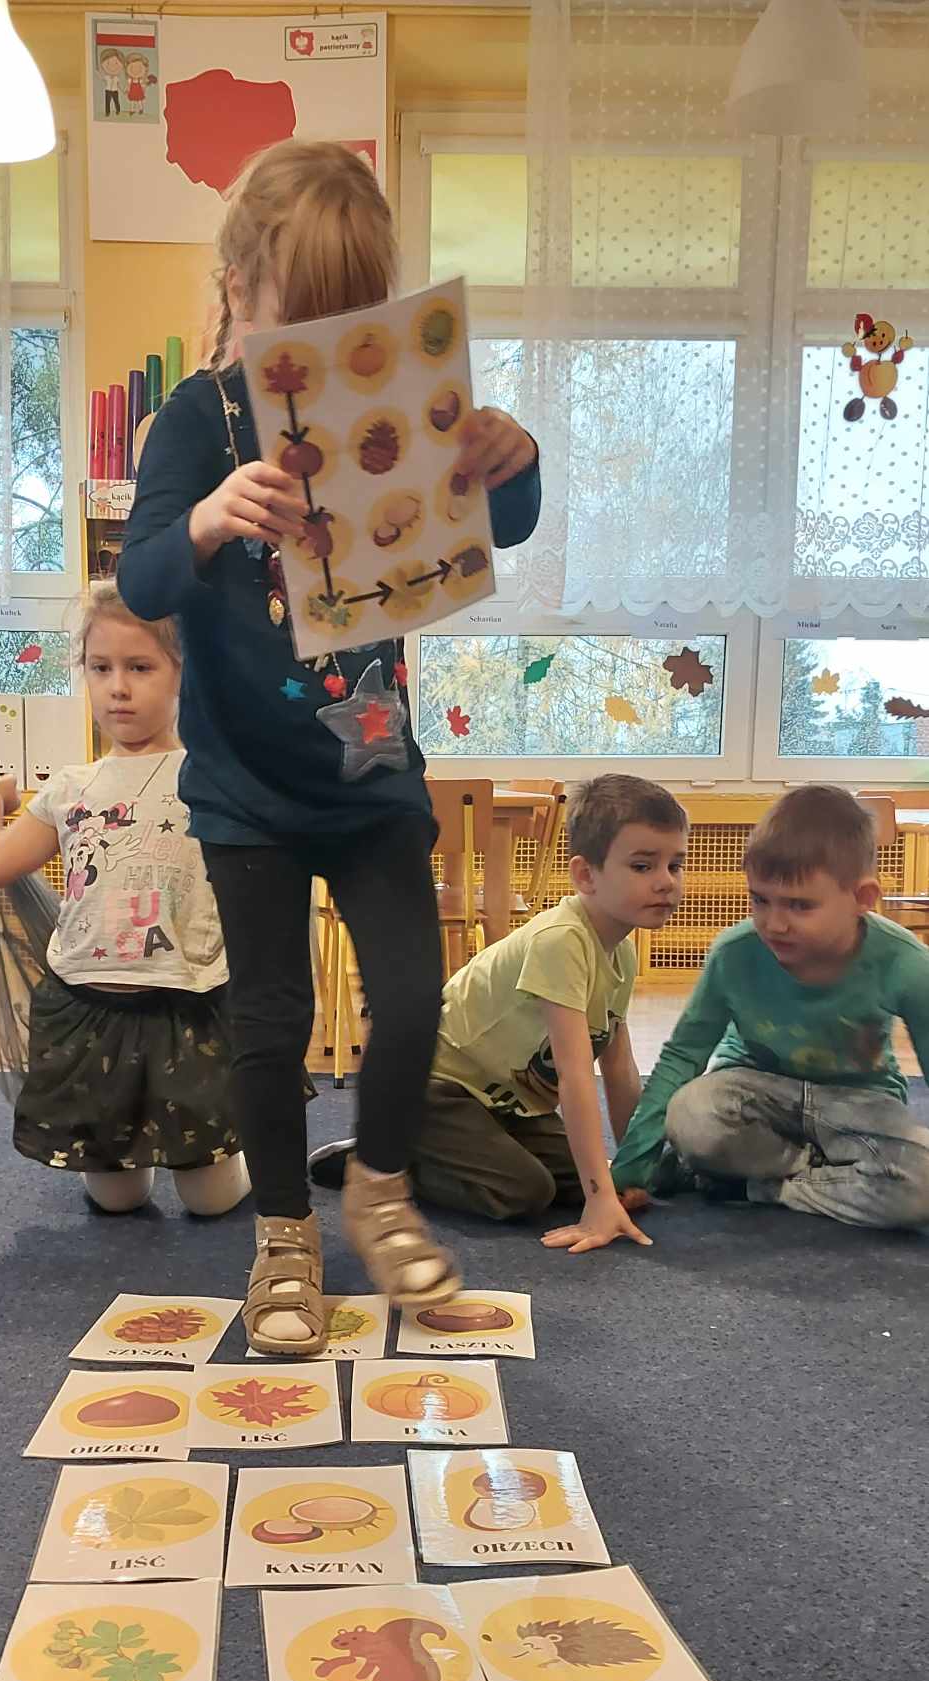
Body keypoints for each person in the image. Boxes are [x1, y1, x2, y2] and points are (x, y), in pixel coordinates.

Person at [117, 138, 542, 1353]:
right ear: (234, 289)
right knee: (269, 1019)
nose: (316, 352)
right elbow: (142, 580)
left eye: (347, 320)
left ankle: (381, 1190)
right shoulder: (196, 421)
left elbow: (503, 518)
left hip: (368, 776)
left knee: (410, 996)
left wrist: (513, 461)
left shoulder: (391, 397)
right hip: (247, 788)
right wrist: (208, 520)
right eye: (292, 323)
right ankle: (282, 1238)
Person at [0, 582, 248, 1221]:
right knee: (116, 1198)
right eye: (100, 668)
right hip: (90, 1008)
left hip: (185, 1006)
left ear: (184, 673)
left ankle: (237, 1158)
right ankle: (129, 1162)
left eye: (140, 667)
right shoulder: (71, 788)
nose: (117, 688)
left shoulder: (212, 776)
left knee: (210, 1199)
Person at [311, 775, 688, 1250]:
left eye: (676, 865)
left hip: (505, 1104)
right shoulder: (561, 941)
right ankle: (383, 1160)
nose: (666, 882)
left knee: (581, 1180)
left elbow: (618, 1068)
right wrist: (600, 1199)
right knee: (524, 1192)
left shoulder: (622, 952)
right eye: (642, 866)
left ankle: (432, 1151)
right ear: (586, 876)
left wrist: (630, 1168)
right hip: (435, 1088)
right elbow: (575, 1076)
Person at [611, 784, 929, 1229]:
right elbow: (683, 1056)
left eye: (800, 905)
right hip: (753, 1095)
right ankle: (829, 1176)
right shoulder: (735, 952)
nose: (774, 924)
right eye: (760, 899)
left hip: (857, 1104)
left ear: (862, 898)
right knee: (691, 1113)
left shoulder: (905, 962)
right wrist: (629, 1168)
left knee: (922, 1185)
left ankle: (754, 1186)